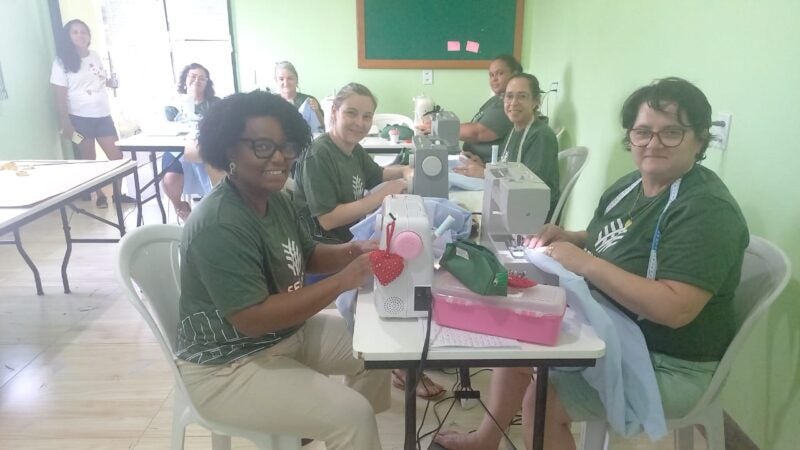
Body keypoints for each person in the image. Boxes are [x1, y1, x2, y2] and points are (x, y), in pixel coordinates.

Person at [434, 77, 749, 450]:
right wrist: (571, 238)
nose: (653, 143)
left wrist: (584, 263)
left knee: (542, 402)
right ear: (629, 136)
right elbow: (608, 236)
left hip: (667, 361)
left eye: (672, 133)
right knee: (516, 341)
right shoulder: (632, 186)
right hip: (615, 329)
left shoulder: (705, 210)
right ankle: (486, 440)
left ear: (699, 140)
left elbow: (674, 308)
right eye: (643, 131)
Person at [175, 90, 390, 450]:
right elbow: (252, 317)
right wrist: (343, 280)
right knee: (352, 416)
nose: (277, 158)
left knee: (378, 353)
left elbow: (304, 255)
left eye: (285, 146)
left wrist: (349, 252)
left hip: (282, 337)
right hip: (227, 366)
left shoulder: (277, 197)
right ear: (229, 150)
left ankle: (326, 430)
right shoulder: (220, 223)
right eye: (261, 147)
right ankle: (340, 428)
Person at [293, 82, 445, 399]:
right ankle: (397, 363)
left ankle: (405, 353)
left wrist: (410, 169)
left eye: (366, 116)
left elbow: (378, 176)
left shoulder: (352, 151)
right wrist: (384, 196)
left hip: (349, 239)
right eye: (351, 113)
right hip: (326, 251)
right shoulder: (319, 155)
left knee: (420, 256)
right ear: (333, 111)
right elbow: (329, 218)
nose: (359, 123)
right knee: (405, 273)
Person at [453, 72, 561, 221]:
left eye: (522, 96)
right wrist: (484, 165)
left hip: (531, 217)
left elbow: (531, 189)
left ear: (536, 101)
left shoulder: (541, 136)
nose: (513, 103)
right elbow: (509, 170)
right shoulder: (514, 130)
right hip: (511, 204)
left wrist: (484, 173)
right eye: (509, 96)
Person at [51, 19, 131, 209]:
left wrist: (112, 82)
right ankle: (99, 194)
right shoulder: (61, 61)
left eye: (83, 31)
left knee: (117, 156)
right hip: (79, 119)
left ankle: (118, 194)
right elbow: (59, 95)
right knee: (89, 160)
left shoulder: (94, 55)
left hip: (103, 115)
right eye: (75, 32)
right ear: (68, 36)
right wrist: (66, 123)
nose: (80, 35)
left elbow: (100, 81)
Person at [418, 54, 521, 162]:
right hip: (471, 159)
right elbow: (474, 125)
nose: (494, 79)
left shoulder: (507, 105)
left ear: (515, 74)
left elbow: (477, 133)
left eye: (500, 73)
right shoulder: (495, 100)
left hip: (483, 166)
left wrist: (439, 129)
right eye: (491, 75)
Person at [162, 63, 220, 220]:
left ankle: (211, 209)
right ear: (184, 80)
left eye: (202, 78)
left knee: (215, 174)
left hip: (206, 148)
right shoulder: (173, 104)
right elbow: (168, 126)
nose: (197, 80)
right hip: (177, 148)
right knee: (170, 179)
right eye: (192, 76)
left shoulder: (215, 104)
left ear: (207, 83)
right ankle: (180, 207)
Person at [274, 61, 324, 134]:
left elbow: (323, 126)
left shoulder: (309, 101)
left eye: (290, 78)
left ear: (296, 80)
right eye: (281, 79)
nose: (286, 83)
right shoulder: (271, 101)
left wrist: (316, 111)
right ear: (276, 81)